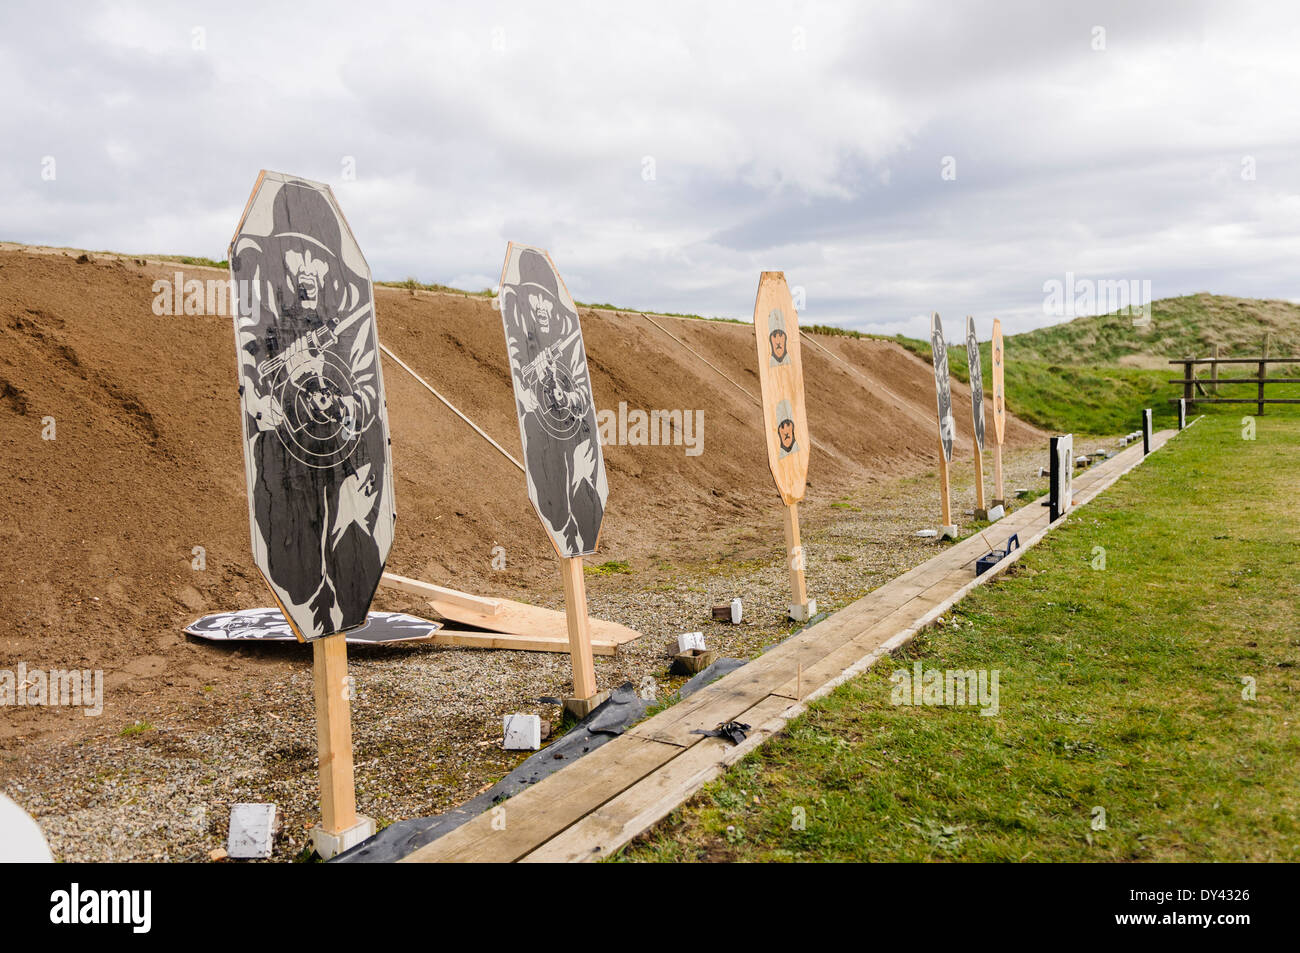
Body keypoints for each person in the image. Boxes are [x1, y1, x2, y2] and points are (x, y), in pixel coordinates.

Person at [230, 180, 387, 635]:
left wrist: (345, 404)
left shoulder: (347, 313)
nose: (307, 268)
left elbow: (367, 386)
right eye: (296, 254)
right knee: (295, 575)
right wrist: (262, 401)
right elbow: (251, 365)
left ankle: (333, 621)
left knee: (350, 560)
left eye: (316, 257)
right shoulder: (266, 311)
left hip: (343, 461)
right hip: (287, 464)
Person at [501, 248, 605, 553]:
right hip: (545, 434)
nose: (541, 306)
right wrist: (533, 389)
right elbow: (519, 370)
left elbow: (583, 392)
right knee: (556, 513)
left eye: (546, 298)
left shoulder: (567, 332)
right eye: (534, 297)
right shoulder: (523, 334)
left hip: (575, 431)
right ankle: (563, 526)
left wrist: (566, 397)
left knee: (584, 496)